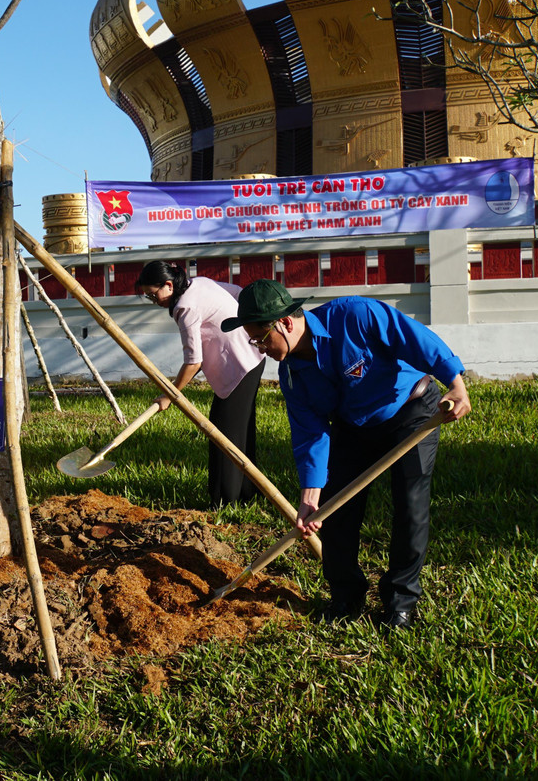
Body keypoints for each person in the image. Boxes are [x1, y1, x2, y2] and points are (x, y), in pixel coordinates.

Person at [222, 279, 471, 629]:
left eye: (261, 339)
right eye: (254, 341)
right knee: (335, 509)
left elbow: (416, 340)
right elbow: (310, 434)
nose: (260, 349)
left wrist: (456, 385)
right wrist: (310, 498)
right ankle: (346, 597)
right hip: (353, 426)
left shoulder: (355, 314)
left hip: (411, 411)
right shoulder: (292, 375)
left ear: (286, 323)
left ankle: (401, 601)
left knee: (410, 504)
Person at [134, 261, 266, 507]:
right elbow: (239, 293)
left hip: (239, 365)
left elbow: (193, 362)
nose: (154, 301)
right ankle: (248, 494)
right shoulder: (200, 283)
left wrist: (169, 395)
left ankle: (226, 501)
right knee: (240, 432)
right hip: (252, 357)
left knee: (224, 438)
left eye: (153, 295)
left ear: (169, 285)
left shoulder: (185, 307)